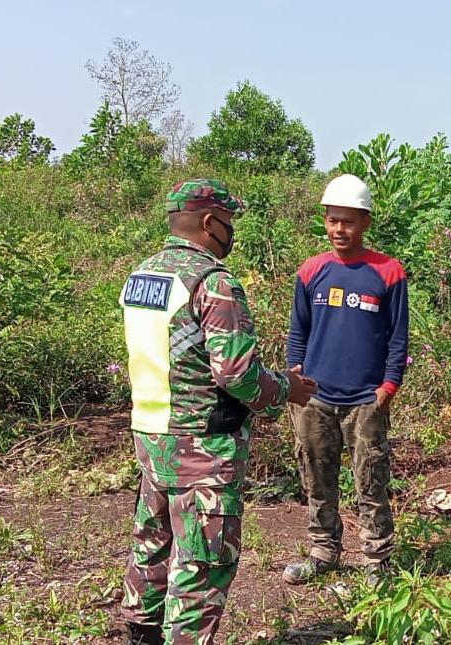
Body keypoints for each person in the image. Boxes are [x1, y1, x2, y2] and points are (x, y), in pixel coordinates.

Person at [118, 179, 317, 645]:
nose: (231, 233)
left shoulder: (143, 275)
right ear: (210, 223)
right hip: (202, 444)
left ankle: (141, 632)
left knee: (154, 541)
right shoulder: (212, 281)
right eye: (229, 223)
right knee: (203, 560)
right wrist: (290, 389)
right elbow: (236, 374)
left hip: (151, 435)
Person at [281, 174, 409, 585]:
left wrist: (388, 387)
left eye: (349, 221)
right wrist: (294, 378)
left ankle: (377, 560)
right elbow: (298, 330)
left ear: (365, 222)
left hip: (365, 400)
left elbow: (397, 337)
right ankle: (323, 551)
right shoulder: (312, 271)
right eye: (334, 221)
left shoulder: (388, 273)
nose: (340, 229)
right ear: (325, 220)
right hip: (315, 397)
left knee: (371, 479)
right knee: (316, 478)